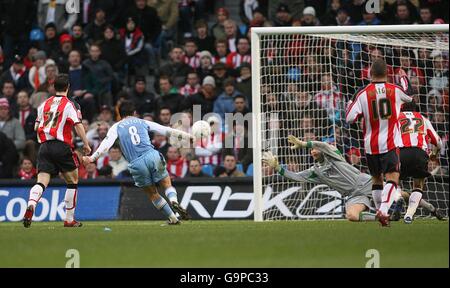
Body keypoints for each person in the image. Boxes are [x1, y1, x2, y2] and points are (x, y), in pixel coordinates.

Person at [82, 100, 192, 224]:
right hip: (152, 155)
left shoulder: (116, 126)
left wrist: (92, 158)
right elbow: (166, 130)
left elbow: (106, 144)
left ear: (119, 114)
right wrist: (187, 136)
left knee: (153, 193)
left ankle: (173, 218)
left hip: (136, 163)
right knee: (166, 183)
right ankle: (173, 200)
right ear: (134, 112)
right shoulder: (142, 121)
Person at [345, 59, 412, 226]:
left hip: (370, 145)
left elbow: (350, 118)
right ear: (387, 74)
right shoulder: (395, 90)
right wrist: (404, 78)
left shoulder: (362, 93)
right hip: (390, 143)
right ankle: (383, 210)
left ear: (370, 74)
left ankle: (378, 213)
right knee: (392, 178)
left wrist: (353, 104)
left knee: (376, 179)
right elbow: (409, 96)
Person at [23, 74, 91, 228]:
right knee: (72, 181)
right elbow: (78, 124)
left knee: (41, 181)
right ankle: (69, 219)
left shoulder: (44, 104)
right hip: (62, 146)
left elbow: (35, 127)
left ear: (54, 87)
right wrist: (86, 144)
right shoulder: (69, 104)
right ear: (68, 87)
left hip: (44, 146)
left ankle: (32, 203)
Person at [397, 101, 446, 223]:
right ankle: (409, 215)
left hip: (400, 153)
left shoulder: (396, 117)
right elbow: (438, 142)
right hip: (419, 154)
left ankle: (397, 198)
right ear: (415, 108)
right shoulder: (423, 118)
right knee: (418, 186)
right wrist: (434, 154)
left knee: (392, 183)